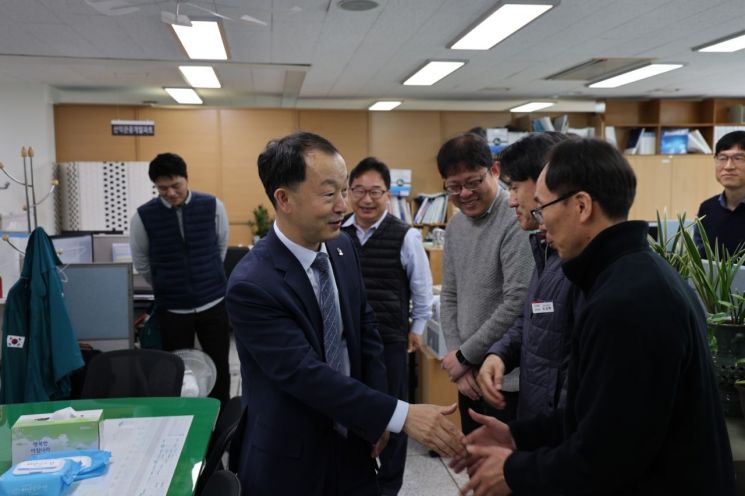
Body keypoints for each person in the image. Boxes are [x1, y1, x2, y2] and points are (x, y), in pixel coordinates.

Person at [454, 138, 736, 495]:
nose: (541, 224)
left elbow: (606, 457)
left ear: (582, 205)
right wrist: (518, 434)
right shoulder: (632, 273)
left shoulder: (627, 302)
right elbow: (599, 414)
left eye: (542, 209)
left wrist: (514, 471)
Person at [225, 132, 464, 496]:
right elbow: (304, 373)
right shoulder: (252, 283)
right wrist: (399, 414)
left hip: (355, 443)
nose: (343, 206)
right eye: (328, 194)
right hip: (291, 457)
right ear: (284, 199)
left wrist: (376, 419)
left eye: (343, 191)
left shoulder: (341, 249)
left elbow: (364, 329)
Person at [341, 157, 434, 496]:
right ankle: (357, 475)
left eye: (375, 192)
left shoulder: (405, 235)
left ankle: (389, 485)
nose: (367, 199)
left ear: (388, 194)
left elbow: (422, 287)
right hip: (346, 341)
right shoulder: (338, 233)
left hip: (391, 340)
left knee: (393, 413)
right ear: (349, 192)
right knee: (350, 407)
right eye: (359, 191)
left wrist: (418, 328)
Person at [477, 132, 582, 421]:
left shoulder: (581, 266)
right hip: (539, 424)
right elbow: (535, 318)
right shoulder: (547, 250)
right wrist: (499, 353)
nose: (510, 201)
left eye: (513, 188)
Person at [437, 132, 534, 433]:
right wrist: (458, 360)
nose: (464, 194)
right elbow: (449, 295)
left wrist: (465, 356)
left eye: (472, 182)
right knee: (476, 466)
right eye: (454, 187)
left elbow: (516, 302)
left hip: (506, 380)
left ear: (494, 171)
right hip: (467, 375)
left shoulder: (516, 218)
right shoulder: (454, 226)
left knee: (505, 472)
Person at [130, 152, 231, 406]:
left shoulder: (212, 206)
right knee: (177, 368)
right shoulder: (143, 217)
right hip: (173, 307)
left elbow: (221, 247)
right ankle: (184, 419)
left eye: (176, 185)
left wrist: (207, 275)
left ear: (186, 179)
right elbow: (141, 261)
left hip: (213, 302)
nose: (171, 193)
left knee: (219, 363)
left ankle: (221, 417)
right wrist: (166, 283)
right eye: (163, 188)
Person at [695, 130, 745, 256]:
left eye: (738, 158)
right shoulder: (707, 208)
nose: (728, 166)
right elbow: (698, 258)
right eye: (722, 158)